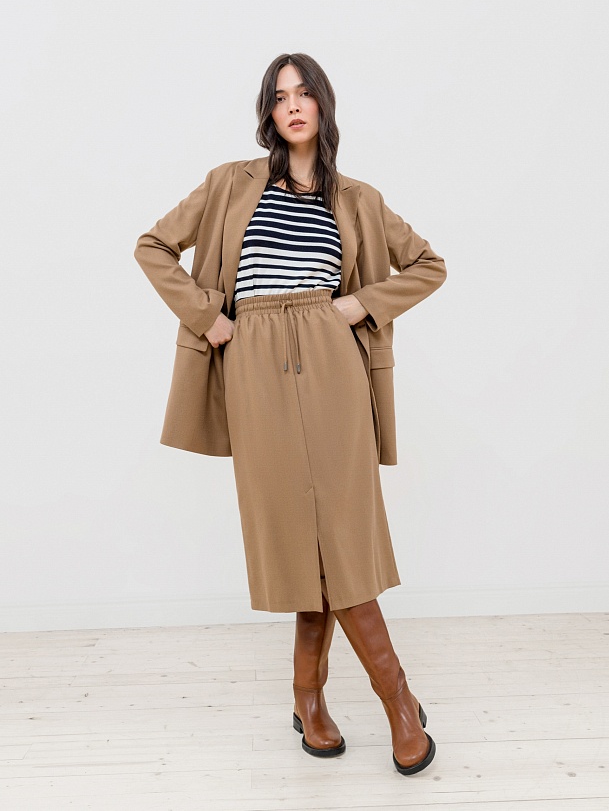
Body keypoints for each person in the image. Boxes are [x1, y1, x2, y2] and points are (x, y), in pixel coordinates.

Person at [134, 52, 446, 776]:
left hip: (330, 353)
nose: (293, 105)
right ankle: (322, 698)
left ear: (323, 106)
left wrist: (359, 304)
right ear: (268, 113)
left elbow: (428, 265)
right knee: (299, 536)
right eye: (280, 97)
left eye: (305, 93)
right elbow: (153, 246)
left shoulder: (358, 198)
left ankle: (383, 701)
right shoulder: (230, 183)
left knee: (341, 533)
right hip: (252, 357)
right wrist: (209, 316)